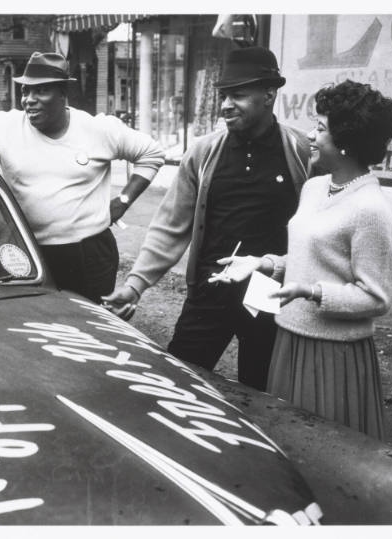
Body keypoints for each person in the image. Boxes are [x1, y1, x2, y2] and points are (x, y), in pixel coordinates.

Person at [102, 46, 311, 391]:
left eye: (238, 95)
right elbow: (170, 225)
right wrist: (135, 285)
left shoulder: (300, 151)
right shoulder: (203, 152)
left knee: (261, 393)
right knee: (182, 385)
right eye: (224, 95)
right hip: (209, 291)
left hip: (269, 294)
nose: (226, 105)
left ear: (269, 94)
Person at [208, 80, 392, 439]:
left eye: (321, 129)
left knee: (323, 451)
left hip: (332, 354)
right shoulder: (315, 188)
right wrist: (263, 263)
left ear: (346, 143)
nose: (310, 136)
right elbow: (309, 256)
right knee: (285, 443)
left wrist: (311, 292)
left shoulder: (371, 211)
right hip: (289, 338)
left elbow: (377, 298)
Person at [0, 52, 164, 303]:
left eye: (41, 91)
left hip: (88, 253)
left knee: (89, 327)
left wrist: (123, 200)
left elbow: (152, 154)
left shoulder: (97, 129)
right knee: (33, 324)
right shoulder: (6, 127)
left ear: (62, 94)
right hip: (28, 251)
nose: (29, 100)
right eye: (25, 92)